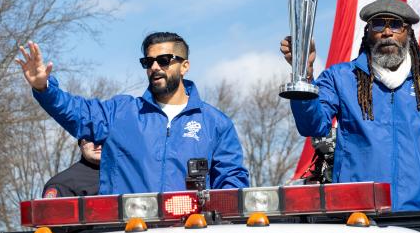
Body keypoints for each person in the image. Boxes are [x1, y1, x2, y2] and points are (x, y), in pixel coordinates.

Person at [281, 0, 420, 211]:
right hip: (357, 216)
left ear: (408, 32)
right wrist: (303, 74)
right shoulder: (341, 77)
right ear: (368, 32)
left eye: (396, 24)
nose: (387, 32)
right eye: (378, 24)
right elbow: (312, 126)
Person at [17, 32, 249, 194]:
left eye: (164, 60)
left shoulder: (215, 123)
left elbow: (232, 183)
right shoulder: (121, 113)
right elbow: (77, 112)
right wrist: (44, 88)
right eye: (148, 62)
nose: (155, 67)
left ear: (184, 66)